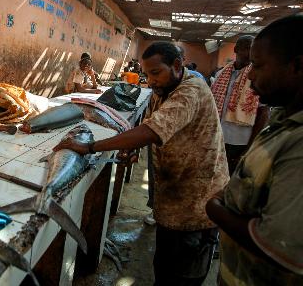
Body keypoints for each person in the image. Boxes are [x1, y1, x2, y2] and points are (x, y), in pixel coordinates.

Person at [55, 41, 229, 285]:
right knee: (164, 268)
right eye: (147, 75)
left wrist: (90, 147)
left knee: (183, 275)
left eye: (156, 73)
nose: (151, 81)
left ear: (177, 65)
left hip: (197, 205)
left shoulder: (192, 91)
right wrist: (131, 147)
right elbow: (148, 125)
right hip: (171, 201)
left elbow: (152, 131)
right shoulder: (163, 91)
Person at [206, 14, 303, 285]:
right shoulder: (284, 122)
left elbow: (280, 246)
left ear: (297, 66)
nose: (249, 78)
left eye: (258, 66)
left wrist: (215, 210)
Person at [211, 35, 270, 174]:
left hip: (240, 141)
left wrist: (249, 148)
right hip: (217, 136)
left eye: (253, 50)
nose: (251, 53)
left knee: (231, 177)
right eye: (247, 49)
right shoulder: (221, 74)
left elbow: (264, 113)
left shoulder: (257, 76)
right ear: (236, 49)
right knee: (213, 176)